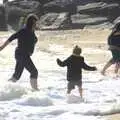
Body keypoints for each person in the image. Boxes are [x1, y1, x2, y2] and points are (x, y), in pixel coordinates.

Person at [0, 14, 39, 90]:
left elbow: (32, 40)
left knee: (16, 76)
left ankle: (4, 89)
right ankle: (36, 91)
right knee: (34, 72)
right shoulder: (23, 31)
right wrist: (1, 47)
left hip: (22, 55)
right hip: (21, 54)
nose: (36, 24)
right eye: (35, 22)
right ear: (32, 22)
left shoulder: (32, 31)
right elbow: (12, 37)